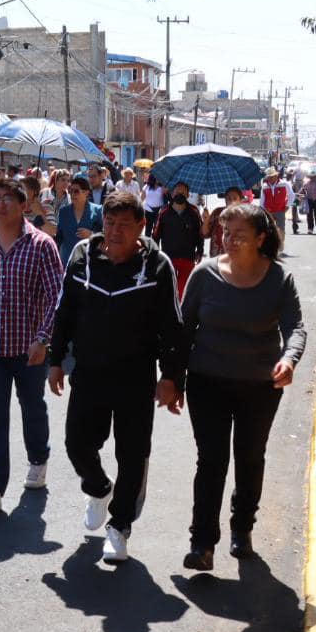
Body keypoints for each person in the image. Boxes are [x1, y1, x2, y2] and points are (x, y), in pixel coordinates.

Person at [48, 191, 184, 563]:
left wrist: (173, 378)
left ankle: (119, 527)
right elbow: (65, 311)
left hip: (136, 377)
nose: (115, 231)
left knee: (133, 453)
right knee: (77, 444)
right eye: (109, 223)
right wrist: (55, 359)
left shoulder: (158, 266)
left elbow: (173, 327)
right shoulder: (82, 256)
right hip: (88, 372)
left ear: (142, 226)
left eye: (125, 224)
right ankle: (98, 488)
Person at [177, 203, 306, 570]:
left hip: (259, 386)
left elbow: (295, 327)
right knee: (211, 460)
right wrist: (172, 378)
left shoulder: (279, 279)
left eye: (239, 235)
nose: (228, 241)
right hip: (207, 382)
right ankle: (202, 543)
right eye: (225, 233)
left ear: (261, 239)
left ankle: (242, 526)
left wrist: (289, 358)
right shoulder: (204, 275)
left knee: (250, 457)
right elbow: (184, 329)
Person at [0, 178, 65, 514]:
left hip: (29, 348)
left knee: (32, 406)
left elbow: (56, 296)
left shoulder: (41, 245)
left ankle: (39, 456)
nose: (0, 204)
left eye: (8, 198)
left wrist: (43, 338)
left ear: (24, 206)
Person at [153, 181, 205, 300]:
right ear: (171, 193)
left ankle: (182, 315)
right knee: (168, 288)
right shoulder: (164, 212)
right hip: (168, 257)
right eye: (177, 190)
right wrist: (154, 253)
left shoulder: (194, 212)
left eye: (183, 191)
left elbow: (200, 233)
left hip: (188, 257)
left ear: (188, 194)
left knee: (184, 290)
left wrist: (200, 250)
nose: (179, 193)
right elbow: (156, 234)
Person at [56, 173, 104, 263]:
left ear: (86, 192)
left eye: (76, 191)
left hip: (89, 261)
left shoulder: (98, 210)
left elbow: (105, 235)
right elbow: (59, 237)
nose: (72, 194)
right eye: (70, 190)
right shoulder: (63, 212)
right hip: (67, 261)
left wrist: (92, 235)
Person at [205, 187, 244, 257]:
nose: (232, 201)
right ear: (225, 200)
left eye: (235, 198)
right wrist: (206, 220)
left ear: (240, 200)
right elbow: (205, 234)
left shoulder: (245, 216)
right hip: (216, 257)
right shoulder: (217, 213)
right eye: (229, 198)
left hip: (237, 258)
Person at [258, 167, 293, 235]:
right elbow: (262, 199)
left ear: (276, 176)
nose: (270, 178)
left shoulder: (284, 183)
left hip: (280, 209)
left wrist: (287, 205)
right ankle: (273, 245)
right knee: (269, 230)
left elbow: (292, 195)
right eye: (268, 177)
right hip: (268, 211)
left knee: (281, 230)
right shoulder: (264, 186)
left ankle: (280, 245)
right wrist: (264, 210)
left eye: (271, 177)